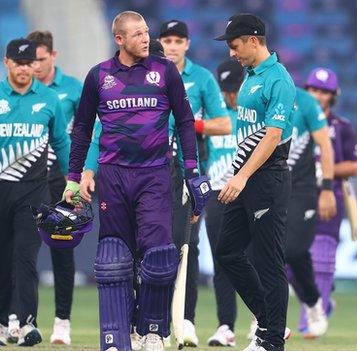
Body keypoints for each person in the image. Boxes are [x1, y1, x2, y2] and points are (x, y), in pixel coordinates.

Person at [63, 11, 209, 351]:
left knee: (159, 257)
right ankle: (119, 335)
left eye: (147, 32)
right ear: (119, 39)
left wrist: (192, 171)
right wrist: (74, 177)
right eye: (138, 33)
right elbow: (83, 128)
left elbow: (186, 121)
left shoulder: (165, 71)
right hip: (113, 178)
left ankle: (152, 331)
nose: (146, 38)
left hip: (156, 175)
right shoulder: (99, 76)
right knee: (114, 260)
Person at [213, 13, 296, 351]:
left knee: (268, 261)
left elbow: (273, 135)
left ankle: (271, 340)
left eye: (235, 46)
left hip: (267, 178)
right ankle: (270, 322)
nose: (232, 53)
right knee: (227, 252)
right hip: (246, 177)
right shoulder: (249, 75)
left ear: (253, 40)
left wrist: (242, 176)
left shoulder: (279, 79)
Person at [0, 38, 70, 347]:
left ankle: (27, 323)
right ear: (6, 62)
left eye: (28, 63)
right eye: (17, 63)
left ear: (36, 64)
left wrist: (73, 181)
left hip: (35, 191)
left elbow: (61, 142)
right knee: (0, 258)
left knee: (26, 257)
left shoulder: (49, 99)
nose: (24, 69)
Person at [157, 20, 230, 347]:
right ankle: (152, 318)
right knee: (152, 243)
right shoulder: (148, 75)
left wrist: (189, 124)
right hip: (148, 170)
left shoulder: (201, 79)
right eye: (167, 40)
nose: (172, 47)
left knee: (188, 245)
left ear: (186, 44)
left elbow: (224, 124)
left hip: (189, 171)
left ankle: (185, 320)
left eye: (178, 41)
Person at [292, 67, 357, 334]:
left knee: (321, 257)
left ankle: (310, 321)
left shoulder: (341, 127)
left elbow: (355, 166)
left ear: (334, 96)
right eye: (314, 90)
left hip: (329, 195)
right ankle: (321, 297)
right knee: (288, 257)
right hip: (296, 194)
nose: (318, 96)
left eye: (324, 92)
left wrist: (324, 170)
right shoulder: (295, 119)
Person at [26, 29, 83, 345]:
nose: (33, 67)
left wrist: (85, 174)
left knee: (62, 248)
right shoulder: (18, 91)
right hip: (27, 179)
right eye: (28, 60)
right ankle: (22, 319)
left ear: (53, 56)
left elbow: (87, 132)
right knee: (24, 248)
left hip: (62, 181)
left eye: (40, 60)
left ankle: (62, 321)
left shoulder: (73, 89)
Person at [281, 80, 337, 338]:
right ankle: (263, 318)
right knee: (265, 253)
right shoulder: (254, 96)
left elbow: (325, 145)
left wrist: (326, 187)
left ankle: (313, 303)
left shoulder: (305, 102)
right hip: (268, 186)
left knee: (293, 250)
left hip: (301, 188)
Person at [204, 59, 243, 347]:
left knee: (255, 259)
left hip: (248, 193)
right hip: (217, 192)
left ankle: (260, 322)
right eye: (227, 89)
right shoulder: (213, 114)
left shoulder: (253, 112)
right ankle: (225, 326)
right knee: (222, 263)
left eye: (236, 88)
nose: (231, 95)